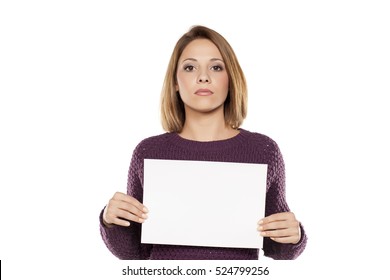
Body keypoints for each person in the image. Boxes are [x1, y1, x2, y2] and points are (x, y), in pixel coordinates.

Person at [99, 25, 307, 260]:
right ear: (175, 82)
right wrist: (111, 219)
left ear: (231, 80)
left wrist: (294, 235)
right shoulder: (149, 152)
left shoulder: (263, 151)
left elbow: (278, 248)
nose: (203, 76)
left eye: (216, 67)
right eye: (190, 67)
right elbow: (133, 252)